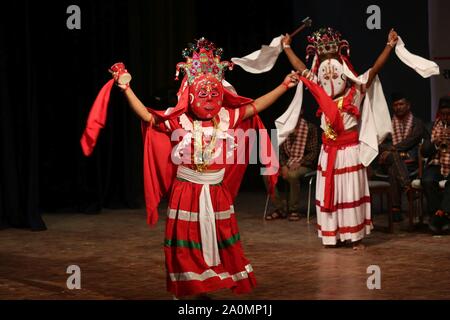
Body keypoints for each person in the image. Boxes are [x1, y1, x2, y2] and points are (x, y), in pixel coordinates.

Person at [108, 38, 299, 298]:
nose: (209, 99)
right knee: (188, 244)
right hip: (187, 191)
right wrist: (126, 89)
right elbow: (146, 116)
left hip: (217, 193)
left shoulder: (226, 117)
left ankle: (208, 284)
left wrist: (283, 86)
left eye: (214, 94)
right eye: (202, 94)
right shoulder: (179, 120)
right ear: (190, 94)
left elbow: (256, 104)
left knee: (219, 240)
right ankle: (190, 287)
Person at [281, 27, 399, 249]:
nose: (330, 78)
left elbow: (374, 70)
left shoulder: (357, 91)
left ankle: (355, 236)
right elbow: (301, 68)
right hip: (329, 153)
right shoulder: (320, 93)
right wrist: (286, 47)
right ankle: (332, 235)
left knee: (350, 191)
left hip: (349, 152)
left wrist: (389, 46)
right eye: (326, 75)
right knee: (332, 194)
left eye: (335, 74)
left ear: (344, 72)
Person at [378, 92, 427, 221]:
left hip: (411, 162)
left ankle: (396, 209)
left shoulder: (417, 123)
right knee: (393, 158)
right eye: (395, 105)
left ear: (408, 105)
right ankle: (407, 188)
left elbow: (412, 140)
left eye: (401, 104)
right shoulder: (387, 124)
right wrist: (390, 150)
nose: (398, 107)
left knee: (392, 169)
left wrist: (393, 149)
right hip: (390, 160)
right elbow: (380, 144)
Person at [266, 110, 320, 221]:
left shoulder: (310, 128)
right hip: (287, 163)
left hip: (305, 163)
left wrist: (300, 162)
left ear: (300, 113)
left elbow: (313, 152)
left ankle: (293, 209)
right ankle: (280, 208)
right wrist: (283, 165)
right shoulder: (284, 128)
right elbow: (280, 150)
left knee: (292, 175)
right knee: (267, 174)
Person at [421, 95, 450, 234]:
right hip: (437, 163)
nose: (445, 117)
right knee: (427, 180)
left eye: (448, 114)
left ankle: (442, 216)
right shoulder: (431, 127)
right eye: (443, 114)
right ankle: (438, 215)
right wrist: (435, 143)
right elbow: (424, 152)